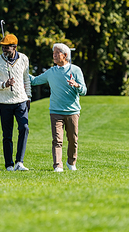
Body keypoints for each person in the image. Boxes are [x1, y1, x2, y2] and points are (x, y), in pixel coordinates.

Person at [29, 43, 87, 172]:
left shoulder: (76, 70)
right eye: (53, 54)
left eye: (57, 53)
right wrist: (20, 72)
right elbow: (34, 81)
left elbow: (84, 91)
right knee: (57, 140)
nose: (54, 56)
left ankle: (71, 162)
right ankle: (58, 165)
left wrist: (76, 85)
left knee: (73, 140)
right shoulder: (51, 72)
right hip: (55, 111)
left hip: (73, 111)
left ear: (65, 55)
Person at [0, 34, 32, 171]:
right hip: (4, 102)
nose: (4, 50)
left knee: (24, 128)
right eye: (2, 47)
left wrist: (29, 97)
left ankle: (19, 162)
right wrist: (4, 84)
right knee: (7, 134)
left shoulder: (24, 59)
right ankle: (9, 164)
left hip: (21, 100)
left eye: (7, 47)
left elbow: (26, 79)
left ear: (14, 47)